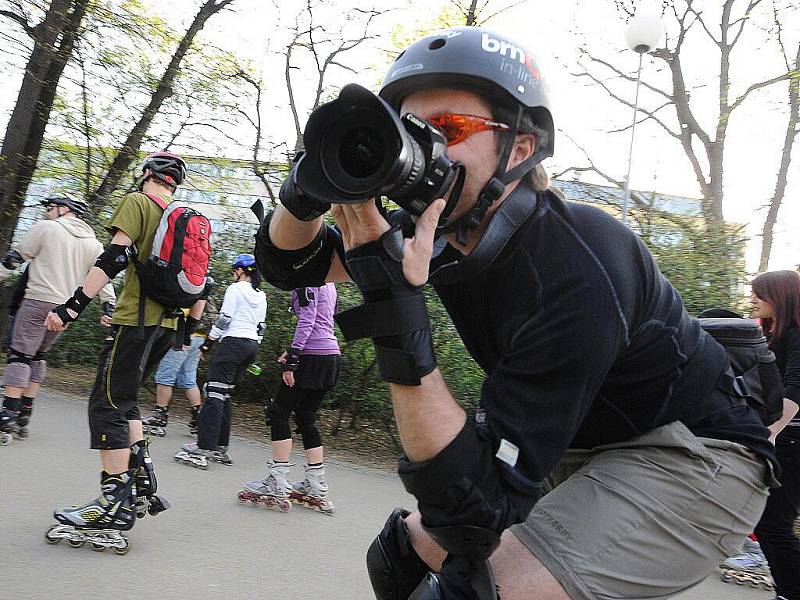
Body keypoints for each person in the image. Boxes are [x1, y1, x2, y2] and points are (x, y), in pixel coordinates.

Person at [254, 26, 778, 600]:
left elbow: (473, 508)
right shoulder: (435, 231)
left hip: (693, 454)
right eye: (407, 128)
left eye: (449, 128)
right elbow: (292, 263)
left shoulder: (576, 261)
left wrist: (391, 303)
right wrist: (305, 188)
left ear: (520, 148)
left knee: (473, 590)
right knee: (404, 556)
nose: (424, 146)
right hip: (578, 439)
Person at [42, 151, 209, 553]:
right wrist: (186, 331)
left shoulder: (139, 202)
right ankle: (140, 478)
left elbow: (115, 256)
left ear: (147, 174)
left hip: (135, 323)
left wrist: (72, 306)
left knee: (107, 404)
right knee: (127, 401)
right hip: (166, 328)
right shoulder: (185, 219)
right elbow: (202, 289)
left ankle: (111, 502)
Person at [0, 196, 115, 442]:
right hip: (66, 310)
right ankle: (24, 414)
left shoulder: (46, 228)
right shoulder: (94, 244)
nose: (47, 212)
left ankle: (8, 415)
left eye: (50, 208)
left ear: (65, 210)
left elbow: (15, 258)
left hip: (36, 301)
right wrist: (109, 307)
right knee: (38, 357)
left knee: (20, 356)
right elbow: (103, 276)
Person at [240, 283, 341, 514]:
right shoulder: (330, 283)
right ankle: (316, 485)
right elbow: (327, 319)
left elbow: (309, 318)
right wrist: (294, 350)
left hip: (311, 357)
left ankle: (278, 481)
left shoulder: (306, 281)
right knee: (306, 417)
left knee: (278, 413)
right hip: (330, 356)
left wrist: (294, 358)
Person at [175, 253, 266, 469]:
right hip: (251, 346)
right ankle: (221, 447)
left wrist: (208, 343)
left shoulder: (235, 289)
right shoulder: (261, 295)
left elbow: (225, 318)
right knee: (224, 395)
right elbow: (261, 326)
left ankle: (204, 446)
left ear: (242, 271)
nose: (234, 274)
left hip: (233, 343)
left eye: (235, 270)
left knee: (213, 392)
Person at [748, 270, 800, 600]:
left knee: (773, 525)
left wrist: (771, 433)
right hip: (789, 442)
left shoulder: (796, 336)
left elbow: (797, 387)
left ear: (780, 297)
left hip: (793, 443)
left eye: (759, 293)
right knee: (772, 524)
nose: (752, 298)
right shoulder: (774, 338)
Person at [141, 300, 217, 437]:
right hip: (199, 338)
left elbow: (181, 313)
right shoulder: (201, 289)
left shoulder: (187, 292)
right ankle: (198, 418)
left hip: (182, 337)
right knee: (188, 377)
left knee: (165, 376)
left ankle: (159, 417)